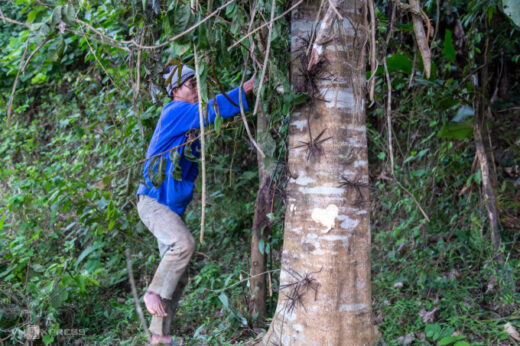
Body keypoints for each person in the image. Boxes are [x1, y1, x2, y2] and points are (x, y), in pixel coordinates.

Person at [136, 64, 254, 345]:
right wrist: (245, 89)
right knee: (184, 244)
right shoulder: (175, 111)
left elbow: (210, 116)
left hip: (170, 208)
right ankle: (151, 291)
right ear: (176, 91)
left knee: (177, 275)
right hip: (153, 202)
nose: (197, 89)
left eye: (197, 84)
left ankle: (158, 337)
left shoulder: (189, 123)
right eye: (191, 85)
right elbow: (210, 111)